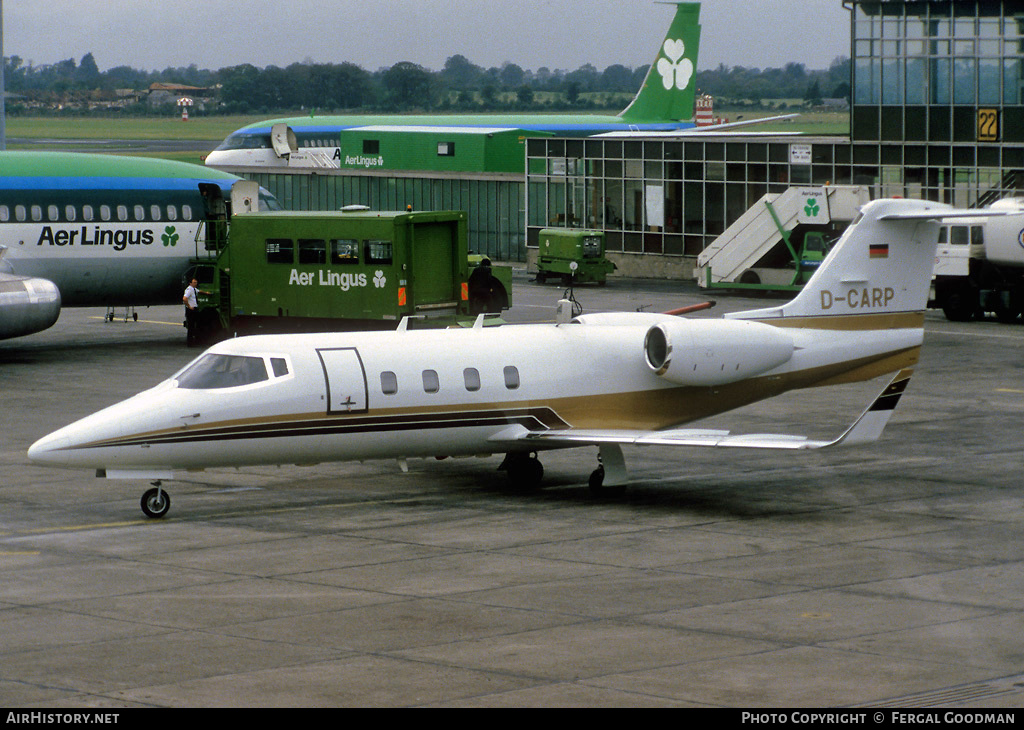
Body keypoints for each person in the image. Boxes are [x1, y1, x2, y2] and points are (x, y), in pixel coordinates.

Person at [183, 278, 205, 347]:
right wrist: (189, 306)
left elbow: (199, 291)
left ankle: (196, 340)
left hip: (194, 309)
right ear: (190, 283)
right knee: (191, 326)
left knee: (197, 324)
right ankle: (190, 343)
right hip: (191, 310)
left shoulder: (194, 289)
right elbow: (184, 298)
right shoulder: (189, 290)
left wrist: (207, 293)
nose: (196, 283)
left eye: (196, 282)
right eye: (194, 282)